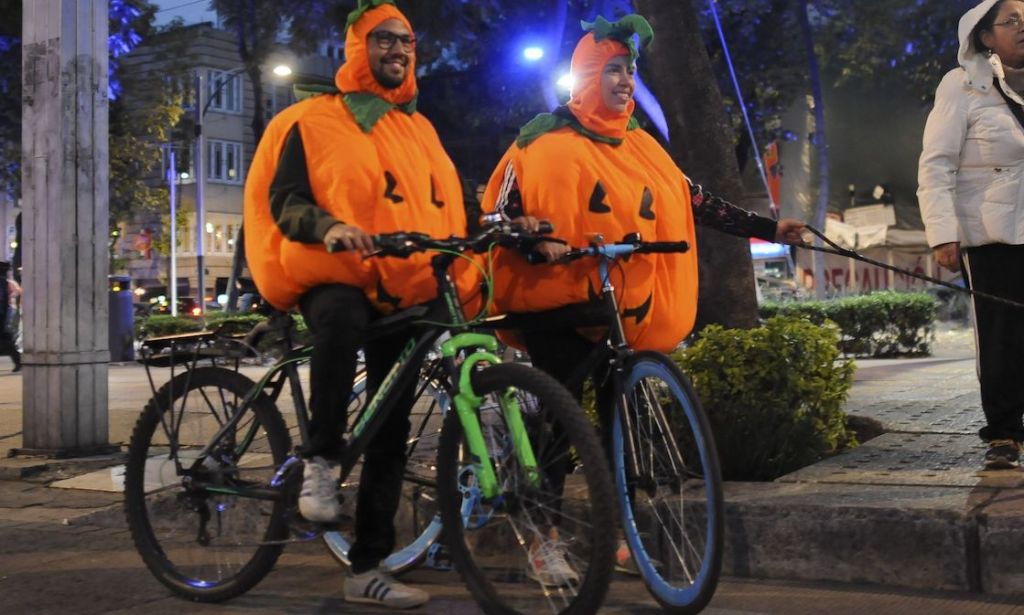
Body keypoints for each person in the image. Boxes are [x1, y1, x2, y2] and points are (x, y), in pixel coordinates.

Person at [481, 14, 805, 582]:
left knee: (616, 428)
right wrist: (536, 235)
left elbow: (692, 199)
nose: (625, 80)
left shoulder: (642, 147)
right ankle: (543, 538)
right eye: (612, 70)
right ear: (584, 76)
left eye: (630, 70)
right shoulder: (538, 140)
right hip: (554, 304)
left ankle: (617, 536)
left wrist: (768, 227)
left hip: (615, 310)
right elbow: (495, 214)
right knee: (559, 423)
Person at [243, 0, 477, 608]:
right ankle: (320, 457)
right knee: (341, 314)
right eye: (383, 40)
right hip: (332, 271)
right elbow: (286, 200)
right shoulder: (311, 119)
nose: (397, 51)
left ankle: (366, 569)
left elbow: (444, 206)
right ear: (357, 49)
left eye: (406, 41)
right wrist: (328, 228)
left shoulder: (418, 128)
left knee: (391, 426)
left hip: (401, 282)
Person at [918, 0, 1024, 470]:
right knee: (1002, 335)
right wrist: (943, 233)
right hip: (991, 234)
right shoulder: (961, 85)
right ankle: (1003, 433)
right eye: (1012, 20)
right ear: (985, 36)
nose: (1023, 28)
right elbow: (936, 163)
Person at [0, 261, 20, 373]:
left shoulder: (3, 282)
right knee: (6, 339)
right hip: (3, 314)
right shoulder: (4, 282)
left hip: (1, 315)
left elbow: (2, 300)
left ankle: (18, 360)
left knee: (6, 339)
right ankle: (18, 360)